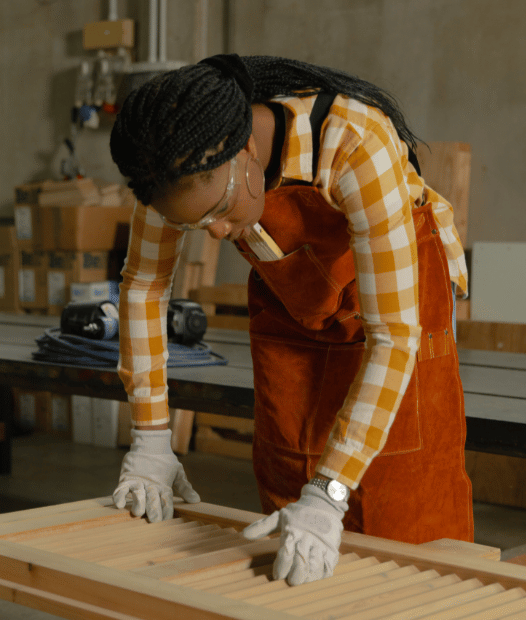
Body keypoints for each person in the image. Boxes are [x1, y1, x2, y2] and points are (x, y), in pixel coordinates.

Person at [109, 53, 473, 586]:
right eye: (196, 224)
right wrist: (150, 440)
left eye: (220, 212)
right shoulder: (169, 167)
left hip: (396, 319)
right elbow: (145, 286)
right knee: (290, 512)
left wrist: (328, 494)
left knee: (403, 521)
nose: (215, 233)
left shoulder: (354, 143)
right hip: (294, 313)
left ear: (246, 150)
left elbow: (393, 336)